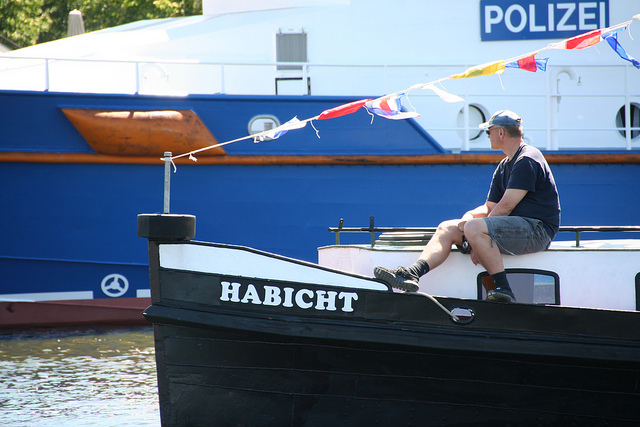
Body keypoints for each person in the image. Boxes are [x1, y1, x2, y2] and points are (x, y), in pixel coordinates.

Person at [374, 110, 560, 302]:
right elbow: (490, 207)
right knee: (447, 228)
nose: (487, 136)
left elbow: (506, 207)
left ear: (501, 132)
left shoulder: (527, 159)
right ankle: (412, 273)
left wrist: (475, 233)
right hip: (516, 228)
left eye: (488, 131)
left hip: (538, 230)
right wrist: (469, 217)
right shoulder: (505, 165)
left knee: (473, 228)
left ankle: (504, 289)